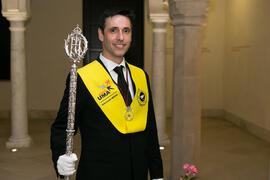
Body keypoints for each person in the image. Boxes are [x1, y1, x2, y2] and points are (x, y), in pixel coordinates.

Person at [50, 8, 163, 180]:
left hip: (138, 173)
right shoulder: (82, 78)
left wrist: (156, 174)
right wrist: (60, 157)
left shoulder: (141, 75)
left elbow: (150, 130)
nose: (121, 37)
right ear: (101, 34)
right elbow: (61, 127)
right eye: (113, 30)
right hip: (99, 173)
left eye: (126, 31)